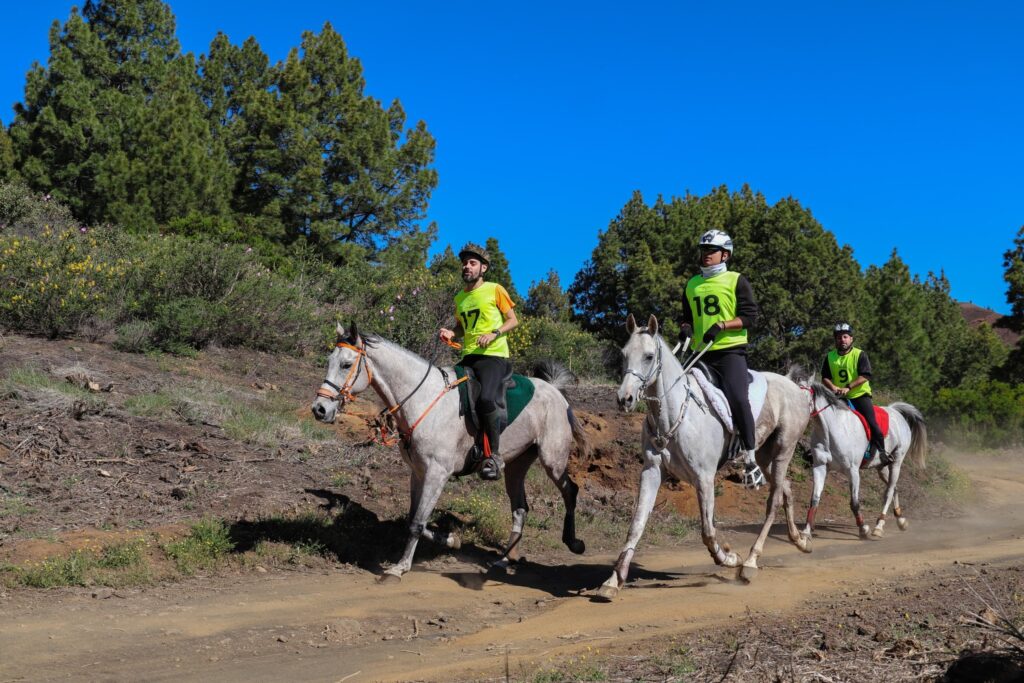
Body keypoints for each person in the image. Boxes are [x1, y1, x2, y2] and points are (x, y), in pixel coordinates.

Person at [678, 229, 765, 488]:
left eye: (711, 251)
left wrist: (724, 325)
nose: (705, 255)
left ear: (725, 254)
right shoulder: (692, 284)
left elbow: (750, 317)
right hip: (700, 352)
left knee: (738, 397)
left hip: (730, 351)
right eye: (703, 250)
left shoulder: (737, 280)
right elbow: (686, 316)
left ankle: (750, 458)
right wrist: (685, 328)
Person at [439, 242, 519, 480]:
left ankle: (494, 455)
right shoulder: (460, 298)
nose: (467, 266)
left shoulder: (495, 289)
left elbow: (513, 320)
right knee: (450, 395)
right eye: (464, 263)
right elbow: (463, 328)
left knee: (485, 398)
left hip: (493, 356)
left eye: (472, 263)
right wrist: (453, 333)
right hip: (468, 356)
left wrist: (494, 333)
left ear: (483, 268)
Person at [822, 322, 888, 467]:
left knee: (872, 423)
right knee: (824, 419)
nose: (842, 340)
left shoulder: (859, 354)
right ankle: (819, 449)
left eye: (845, 337)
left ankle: (882, 452)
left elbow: (865, 375)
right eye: (839, 337)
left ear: (851, 339)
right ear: (835, 340)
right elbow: (825, 377)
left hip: (859, 395)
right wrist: (833, 387)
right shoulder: (830, 357)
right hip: (839, 396)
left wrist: (848, 387)